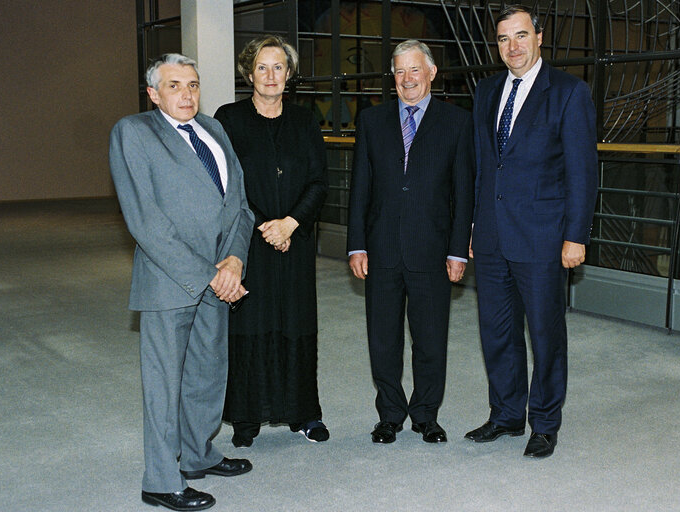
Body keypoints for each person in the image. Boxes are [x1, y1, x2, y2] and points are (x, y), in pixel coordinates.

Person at [109, 53, 255, 511]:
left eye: (192, 85)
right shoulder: (133, 133)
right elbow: (146, 221)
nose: (187, 94)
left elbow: (240, 205)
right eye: (174, 86)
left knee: (207, 374)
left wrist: (233, 261)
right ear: (153, 94)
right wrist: (209, 274)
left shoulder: (214, 129)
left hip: (220, 276)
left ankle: (197, 454)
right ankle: (160, 479)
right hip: (171, 280)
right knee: (164, 383)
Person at [466, 5, 598, 458]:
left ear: (540, 37)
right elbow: (482, 168)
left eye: (521, 35)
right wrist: (471, 226)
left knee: (545, 335)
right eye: (504, 39)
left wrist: (576, 235)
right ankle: (505, 414)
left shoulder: (568, 92)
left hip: (543, 238)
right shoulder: (485, 92)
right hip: (491, 237)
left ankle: (544, 422)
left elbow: (583, 172)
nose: (513, 47)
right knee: (496, 332)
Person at [347, 39, 474, 444]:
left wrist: (457, 250)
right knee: (383, 341)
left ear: (432, 72)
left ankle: (425, 415)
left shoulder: (457, 122)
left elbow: (463, 193)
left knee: (431, 340)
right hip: (381, 248)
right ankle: (389, 415)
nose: (407, 79)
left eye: (414, 70)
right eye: (399, 71)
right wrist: (356, 244)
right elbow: (360, 187)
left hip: (433, 251)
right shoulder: (372, 120)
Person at [213, 35, 329, 447]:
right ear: (249, 73)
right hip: (247, 243)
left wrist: (290, 224)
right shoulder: (228, 119)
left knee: (296, 325)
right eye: (262, 67)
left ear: (289, 74)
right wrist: (266, 226)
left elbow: (319, 181)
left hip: (294, 243)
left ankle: (304, 413)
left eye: (278, 67)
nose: (271, 75)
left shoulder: (305, 120)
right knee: (249, 325)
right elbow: (223, 184)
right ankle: (246, 419)